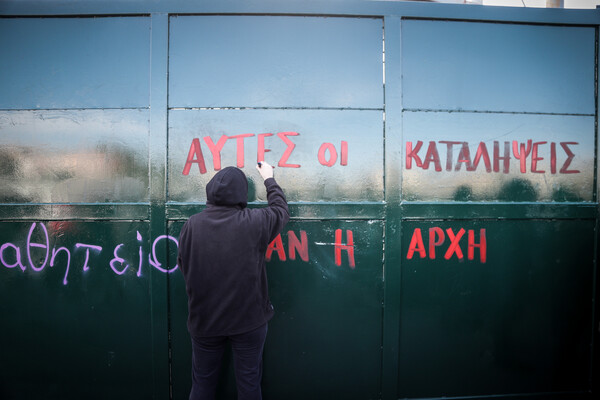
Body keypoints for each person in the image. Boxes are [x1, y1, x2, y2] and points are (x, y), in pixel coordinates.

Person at [177, 161, 289, 400]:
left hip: (204, 322)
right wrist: (269, 178)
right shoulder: (255, 222)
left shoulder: (191, 225)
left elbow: (182, 265)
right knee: (249, 386)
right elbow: (281, 210)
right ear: (242, 193)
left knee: (202, 386)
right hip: (248, 322)